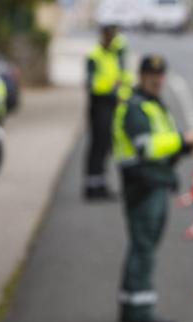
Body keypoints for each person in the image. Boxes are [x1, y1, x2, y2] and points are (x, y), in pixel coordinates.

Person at [113, 55, 193, 322]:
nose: (158, 81)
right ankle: (140, 310)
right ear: (141, 77)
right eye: (152, 77)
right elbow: (147, 147)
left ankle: (131, 303)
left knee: (143, 246)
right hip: (143, 185)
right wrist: (181, 140)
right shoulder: (136, 108)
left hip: (155, 182)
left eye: (161, 76)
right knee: (144, 248)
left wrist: (183, 147)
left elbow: (164, 143)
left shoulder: (153, 106)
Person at [83, 24, 131, 200]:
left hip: (114, 105)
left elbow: (124, 77)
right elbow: (91, 84)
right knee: (98, 145)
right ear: (103, 35)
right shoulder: (94, 55)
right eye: (110, 35)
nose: (112, 38)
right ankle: (91, 186)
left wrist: (124, 95)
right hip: (99, 104)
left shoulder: (116, 54)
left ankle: (101, 185)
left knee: (107, 146)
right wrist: (112, 89)